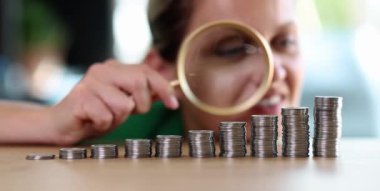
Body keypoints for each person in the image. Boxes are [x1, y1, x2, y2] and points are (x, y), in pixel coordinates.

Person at [0, 0, 302, 145]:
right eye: (232, 50)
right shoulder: (114, 138)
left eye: (285, 42)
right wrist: (49, 122)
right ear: (161, 69)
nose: (274, 71)